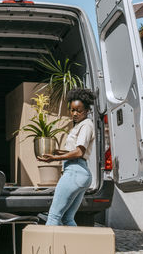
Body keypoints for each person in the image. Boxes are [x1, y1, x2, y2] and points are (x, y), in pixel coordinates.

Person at [37, 88, 96, 226]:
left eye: (78, 110)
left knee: (53, 216)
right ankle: (74, 247)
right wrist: (58, 152)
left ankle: (47, 247)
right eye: (72, 110)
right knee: (67, 218)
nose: (74, 113)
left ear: (87, 110)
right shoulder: (80, 125)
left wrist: (54, 159)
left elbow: (79, 152)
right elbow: (74, 150)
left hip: (75, 172)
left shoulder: (86, 125)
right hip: (80, 173)